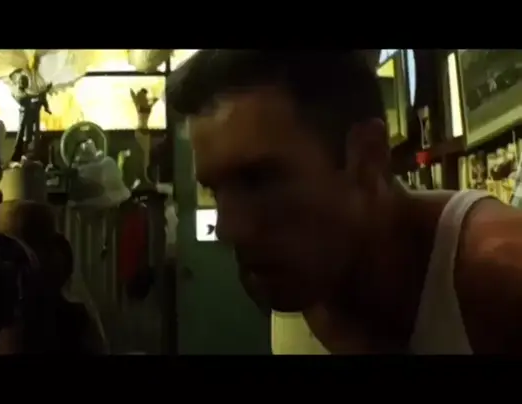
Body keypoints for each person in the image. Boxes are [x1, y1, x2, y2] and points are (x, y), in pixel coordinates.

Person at [167, 50, 522, 354]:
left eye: (260, 181)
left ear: (367, 156)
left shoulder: (499, 275)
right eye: (216, 191)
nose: (229, 229)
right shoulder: (305, 280)